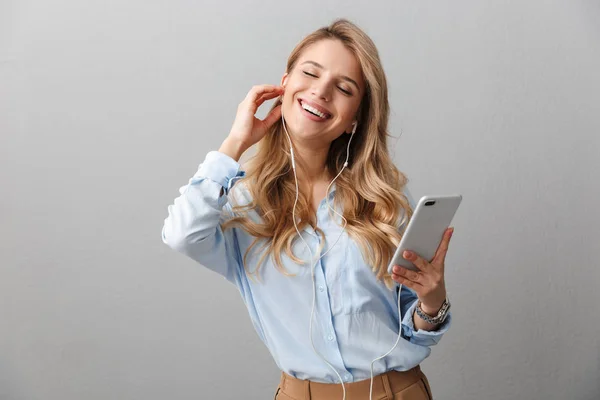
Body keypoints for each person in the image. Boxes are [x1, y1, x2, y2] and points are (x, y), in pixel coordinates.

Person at [162, 18, 454, 400]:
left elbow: (413, 320)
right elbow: (182, 235)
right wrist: (236, 141)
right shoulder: (241, 203)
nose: (320, 92)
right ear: (284, 84)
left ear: (355, 119)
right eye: (310, 73)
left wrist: (433, 301)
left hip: (397, 391)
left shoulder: (383, 200)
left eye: (343, 88)